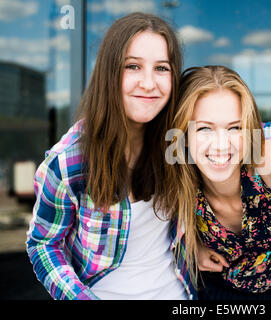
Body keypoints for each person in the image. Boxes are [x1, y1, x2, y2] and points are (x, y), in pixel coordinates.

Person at [26, 12, 195, 300]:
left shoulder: (179, 141)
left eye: (161, 69)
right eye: (133, 66)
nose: (148, 83)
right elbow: (44, 245)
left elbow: (242, 133)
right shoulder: (68, 162)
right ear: (109, 73)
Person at [163, 65, 271, 299]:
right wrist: (189, 245)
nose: (220, 144)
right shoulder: (177, 177)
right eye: (205, 128)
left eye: (235, 128)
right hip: (213, 296)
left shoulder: (270, 161)